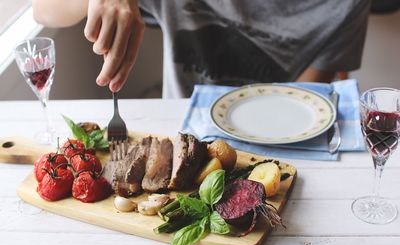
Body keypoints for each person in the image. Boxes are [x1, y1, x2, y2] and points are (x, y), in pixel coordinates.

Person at [31, 0, 370, 98]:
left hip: (277, 145)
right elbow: (43, 10)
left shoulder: (343, 5)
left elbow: (308, 98)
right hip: (181, 137)